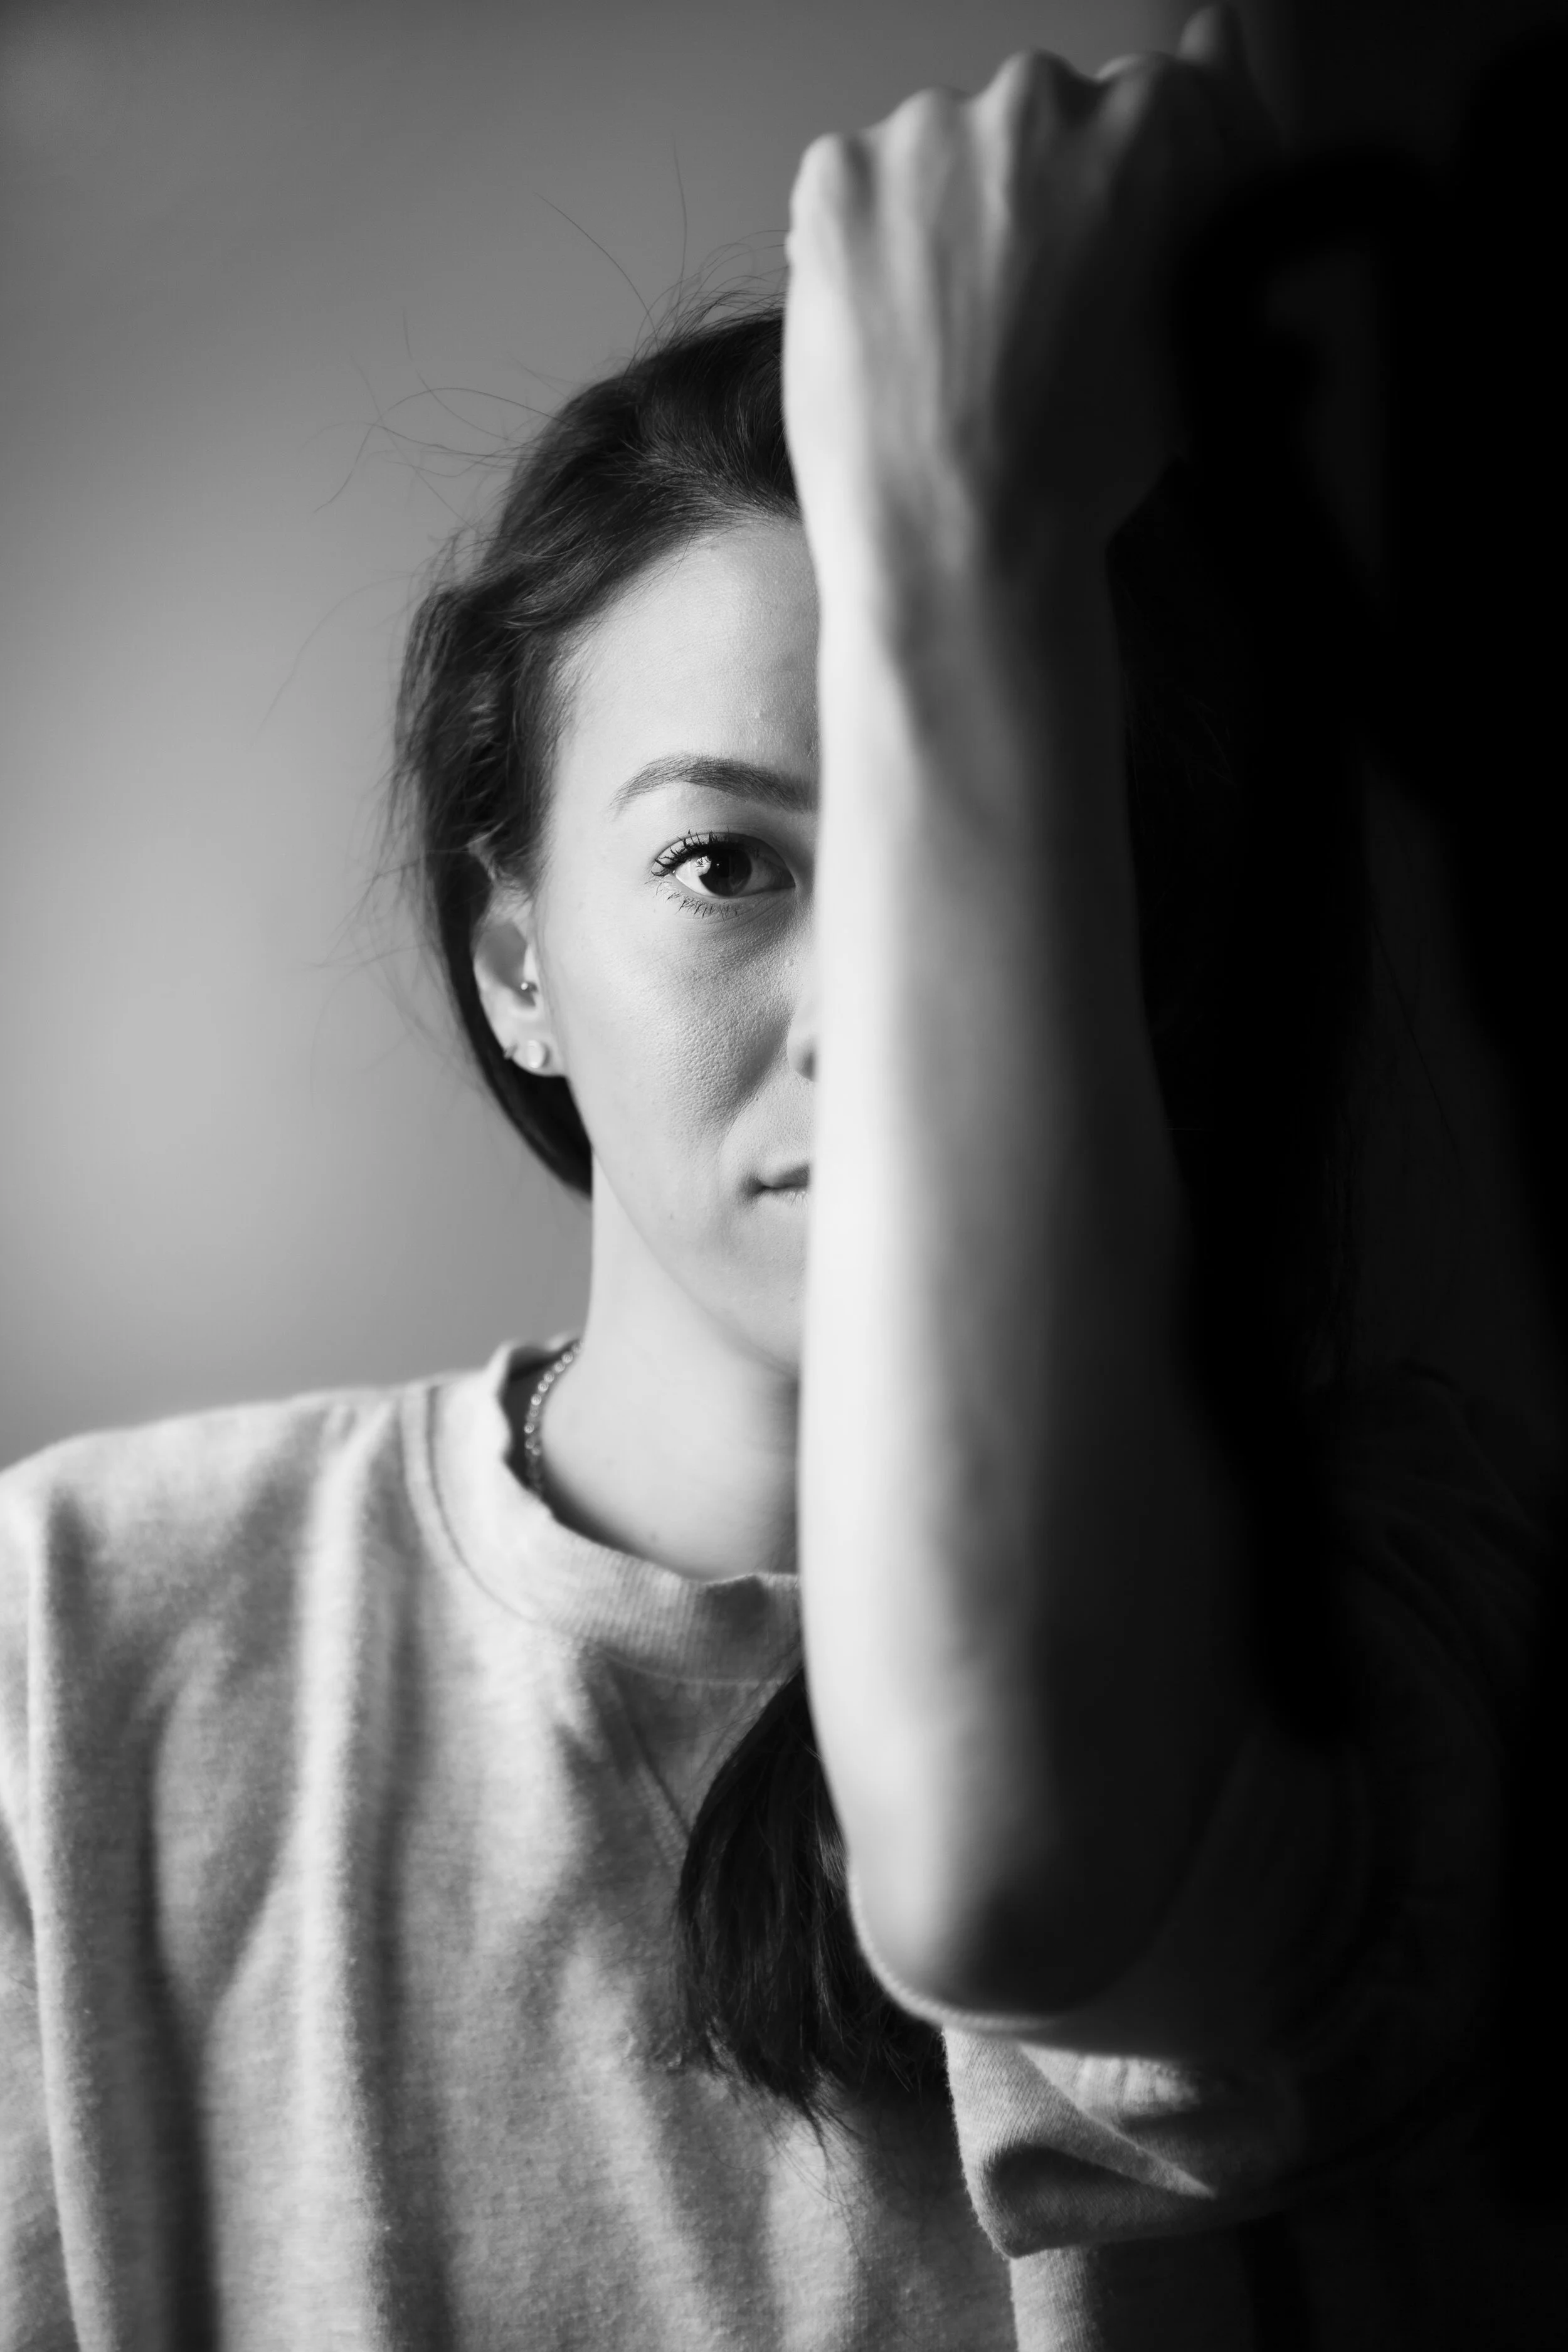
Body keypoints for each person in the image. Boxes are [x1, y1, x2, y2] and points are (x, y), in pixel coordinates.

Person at [2, 8, 1562, 2345]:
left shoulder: (1388, 1601)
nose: (873, 1017)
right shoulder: (67, 1629)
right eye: (727, 861)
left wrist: (964, 526)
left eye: (983, 859)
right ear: (518, 963)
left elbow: (1015, 1859)